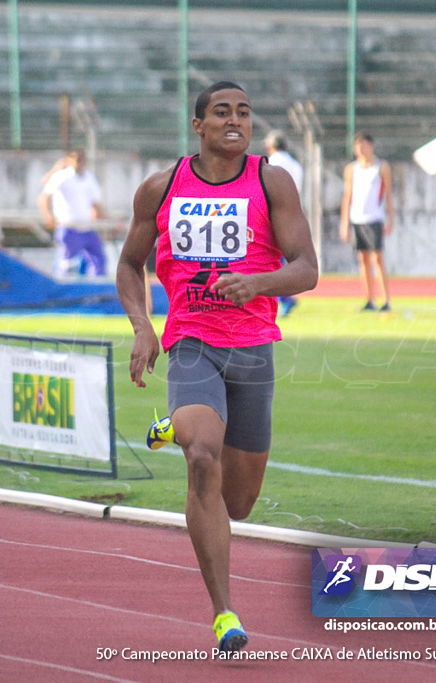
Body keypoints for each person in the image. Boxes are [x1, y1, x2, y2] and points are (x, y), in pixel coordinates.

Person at [116, 81, 318, 653]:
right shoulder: (161, 189)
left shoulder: (271, 181)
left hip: (252, 348)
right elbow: (129, 266)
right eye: (222, 113)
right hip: (192, 342)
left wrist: (257, 282)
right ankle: (224, 613)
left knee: (238, 503)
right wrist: (141, 327)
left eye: (244, 112)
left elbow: (306, 268)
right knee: (203, 459)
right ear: (198, 125)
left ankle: (173, 424)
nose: (235, 121)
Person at [339, 131, 394, 311]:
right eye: (357, 145)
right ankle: (370, 300)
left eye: (363, 144)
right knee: (362, 259)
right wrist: (345, 223)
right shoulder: (351, 169)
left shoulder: (381, 167)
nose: (360, 149)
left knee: (377, 258)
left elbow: (388, 195)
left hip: (374, 218)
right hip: (357, 218)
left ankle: (386, 300)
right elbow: (347, 196)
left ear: (371, 146)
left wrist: (390, 218)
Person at [37, 149, 107, 277]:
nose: (79, 162)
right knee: (66, 264)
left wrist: (102, 219)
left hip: (86, 229)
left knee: (98, 260)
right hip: (69, 228)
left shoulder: (89, 178)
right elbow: (44, 197)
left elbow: (96, 204)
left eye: (81, 159)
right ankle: (63, 293)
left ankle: (96, 292)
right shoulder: (62, 176)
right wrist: (49, 217)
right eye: (75, 159)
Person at [264, 129, 304, 317]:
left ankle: (285, 298)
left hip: (272, 216)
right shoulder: (296, 165)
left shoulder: (270, 163)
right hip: (292, 215)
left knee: (272, 259)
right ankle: (286, 298)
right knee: (286, 258)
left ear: (270, 146)